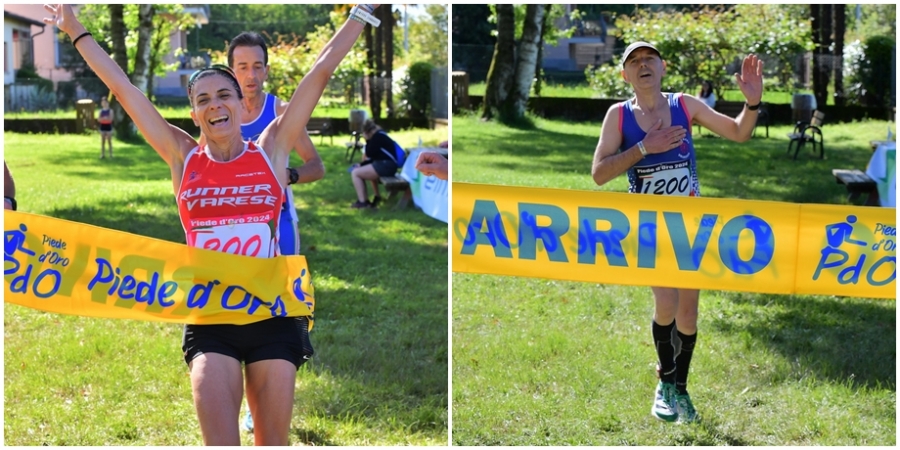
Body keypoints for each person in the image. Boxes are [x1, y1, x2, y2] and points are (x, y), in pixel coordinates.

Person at [44, 3, 376, 445]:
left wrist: (363, 11)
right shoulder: (183, 156)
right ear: (195, 114)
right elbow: (122, 88)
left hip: (271, 310)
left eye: (224, 95)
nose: (214, 105)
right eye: (203, 100)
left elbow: (319, 71)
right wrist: (74, 27)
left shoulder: (272, 149)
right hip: (210, 314)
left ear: (241, 104)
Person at [590, 41, 763, 424]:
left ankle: (680, 388)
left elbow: (738, 133)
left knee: (688, 315)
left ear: (662, 66)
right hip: (650, 230)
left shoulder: (685, 106)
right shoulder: (618, 116)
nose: (642, 65)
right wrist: (643, 148)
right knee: (665, 302)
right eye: (633, 61)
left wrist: (751, 104)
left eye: (649, 58)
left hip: (690, 228)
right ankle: (665, 384)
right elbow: (599, 173)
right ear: (625, 75)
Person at [225, 30, 326, 434]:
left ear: (266, 70)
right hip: (230, 232)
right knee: (234, 311)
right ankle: (240, 394)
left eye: (257, 67)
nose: (250, 75)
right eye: (242, 67)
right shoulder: (219, 110)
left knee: (278, 314)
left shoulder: (281, 112)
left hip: (278, 227)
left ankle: (265, 401)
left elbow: (316, 165)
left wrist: (288, 175)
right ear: (231, 70)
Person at [349, 119, 402, 209]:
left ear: (367, 132)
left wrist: (367, 140)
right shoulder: (380, 135)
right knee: (357, 170)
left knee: (355, 173)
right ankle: (366, 200)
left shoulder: (377, 137)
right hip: (387, 165)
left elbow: (369, 153)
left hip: (386, 166)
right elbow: (374, 157)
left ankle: (363, 202)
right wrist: (361, 165)